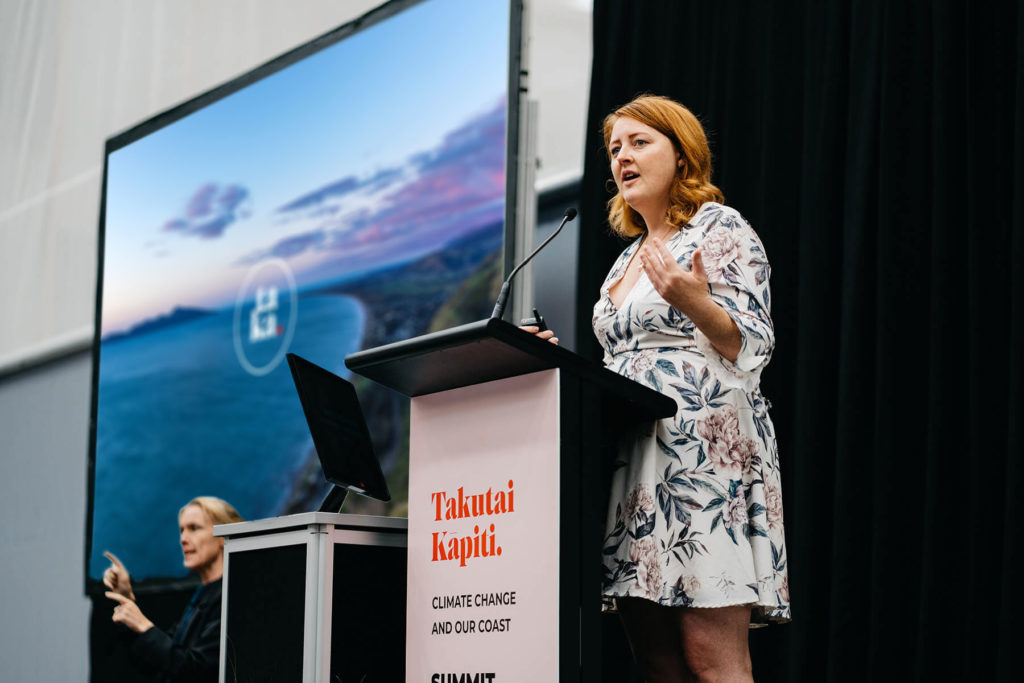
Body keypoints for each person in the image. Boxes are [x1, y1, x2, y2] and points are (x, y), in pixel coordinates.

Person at [529, 94, 790, 682]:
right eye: (614, 148)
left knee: (710, 659)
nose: (622, 156)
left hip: (701, 460)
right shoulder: (624, 261)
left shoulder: (719, 228)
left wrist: (695, 302)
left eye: (639, 142)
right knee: (657, 661)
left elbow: (755, 345)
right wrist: (547, 359)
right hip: (631, 459)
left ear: (682, 154)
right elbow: (618, 365)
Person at [104, 496, 243, 683]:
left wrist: (144, 626)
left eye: (194, 528)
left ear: (222, 535)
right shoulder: (202, 596)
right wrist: (126, 599)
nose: (183, 539)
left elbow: (198, 671)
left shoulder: (232, 595)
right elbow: (158, 662)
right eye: (182, 530)